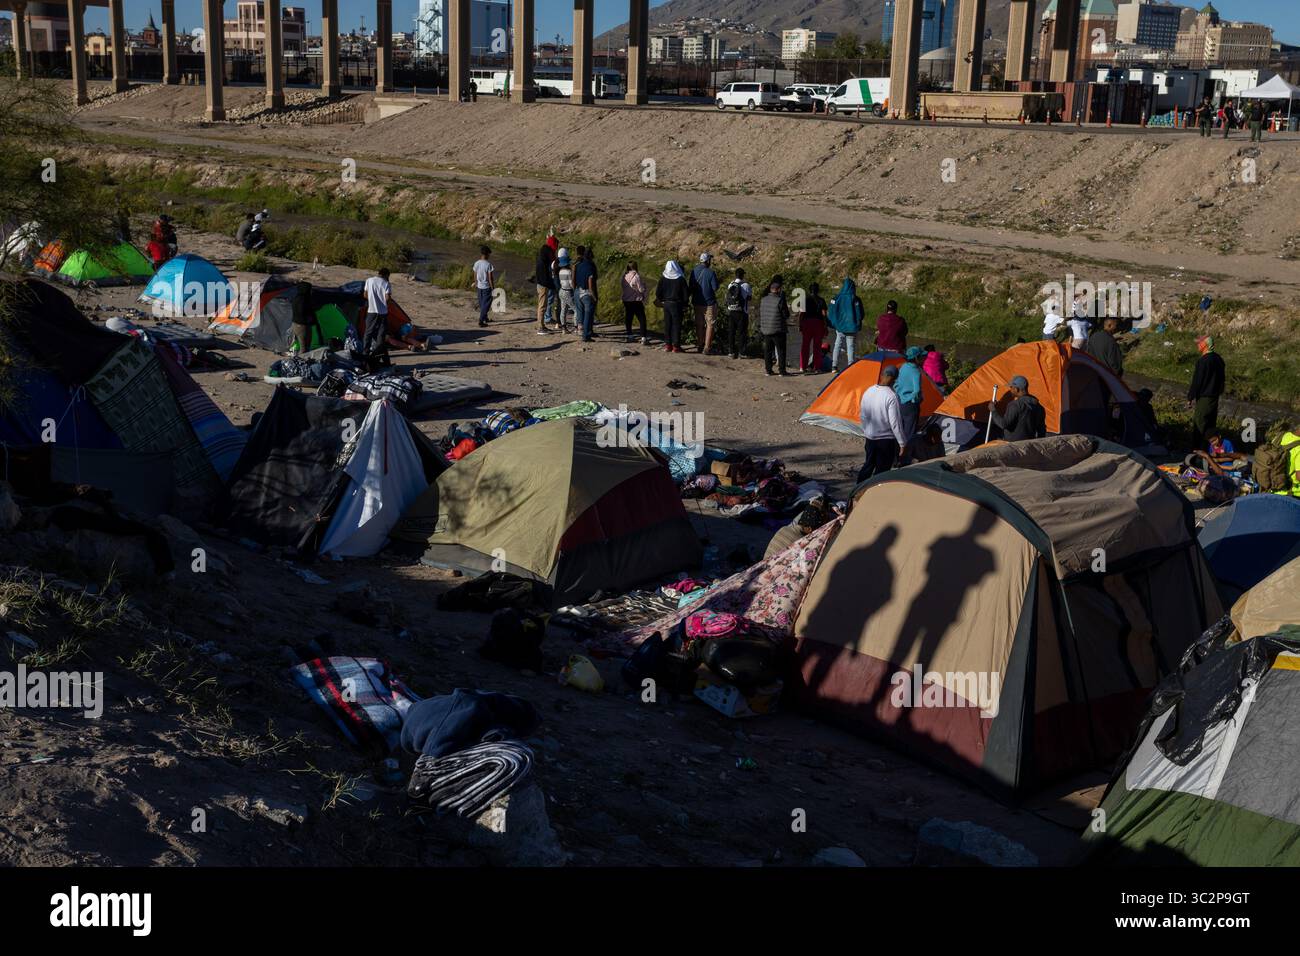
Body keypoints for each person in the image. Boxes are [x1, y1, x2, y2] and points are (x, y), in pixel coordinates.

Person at [857, 365, 907, 483]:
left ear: (881, 375)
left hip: (870, 437)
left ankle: (857, 489)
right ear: (895, 379)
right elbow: (895, 423)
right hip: (885, 440)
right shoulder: (891, 396)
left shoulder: (869, 390)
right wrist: (902, 443)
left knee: (868, 465)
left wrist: (867, 431)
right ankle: (876, 493)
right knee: (882, 470)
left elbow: (863, 414)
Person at [1187, 333, 1225, 441]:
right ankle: (1212, 447)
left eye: (1199, 343)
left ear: (1205, 345)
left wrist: (1190, 397)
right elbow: (1222, 380)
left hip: (1205, 397)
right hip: (1215, 397)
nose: (1197, 344)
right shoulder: (1219, 359)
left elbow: (1197, 381)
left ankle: (1199, 449)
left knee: (1199, 422)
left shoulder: (1203, 361)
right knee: (1211, 423)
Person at [988, 375, 1047, 442]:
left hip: (1013, 447)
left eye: (1011, 387)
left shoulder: (1015, 405)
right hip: (1028, 446)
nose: (1010, 390)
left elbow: (1003, 424)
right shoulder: (1039, 406)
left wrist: (993, 410)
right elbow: (1041, 430)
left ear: (1016, 389)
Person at [827, 277, 864, 372]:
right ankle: (850, 367)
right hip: (852, 327)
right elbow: (860, 313)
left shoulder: (837, 297)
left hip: (840, 327)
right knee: (850, 346)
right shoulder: (855, 298)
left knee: (837, 345)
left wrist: (833, 323)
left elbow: (831, 311)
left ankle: (834, 366)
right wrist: (858, 323)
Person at [758, 275, 790, 377]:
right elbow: (786, 314)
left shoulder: (763, 299)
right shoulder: (779, 300)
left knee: (768, 351)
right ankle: (782, 371)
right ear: (778, 289)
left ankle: (768, 370)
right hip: (778, 330)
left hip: (766, 329)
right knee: (781, 351)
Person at [895, 347, 926, 450]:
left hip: (900, 401)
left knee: (901, 428)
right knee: (910, 431)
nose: (924, 358)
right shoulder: (916, 372)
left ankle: (897, 450)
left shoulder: (904, 366)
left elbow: (897, 383)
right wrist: (918, 399)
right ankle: (906, 455)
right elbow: (917, 390)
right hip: (910, 404)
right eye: (922, 357)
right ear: (916, 358)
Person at [655, 260, 689, 353]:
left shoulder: (663, 278)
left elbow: (658, 293)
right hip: (677, 304)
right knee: (676, 325)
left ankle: (668, 345)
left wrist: (662, 299)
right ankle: (676, 346)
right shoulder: (680, 279)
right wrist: (685, 305)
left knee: (667, 324)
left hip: (666, 304)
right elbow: (686, 294)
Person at [689, 252, 720, 354]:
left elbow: (690, 287)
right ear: (707, 261)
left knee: (699, 324)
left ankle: (699, 345)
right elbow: (715, 288)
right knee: (710, 325)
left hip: (697, 302)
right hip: (709, 303)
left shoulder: (693, 271)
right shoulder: (710, 272)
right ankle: (707, 347)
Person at [797, 282, 828, 374]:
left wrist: (799, 324)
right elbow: (824, 315)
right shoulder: (821, 300)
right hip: (818, 323)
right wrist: (825, 326)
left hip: (807, 323)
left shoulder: (804, 299)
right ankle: (817, 367)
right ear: (818, 290)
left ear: (809, 290)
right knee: (817, 347)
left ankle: (803, 367)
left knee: (805, 345)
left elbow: (801, 314)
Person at [362, 268, 392, 359]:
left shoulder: (369, 280)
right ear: (386, 275)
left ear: (378, 273)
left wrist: (372, 300)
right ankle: (378, 353)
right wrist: (383, 302)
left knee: (368, 332)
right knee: (381, 334)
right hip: (383, 312)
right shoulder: (386, 283)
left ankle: (365, 352)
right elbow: (387, 298)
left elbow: (365, 295)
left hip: (371, 311)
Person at [724, 268, 752, 359]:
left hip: (731, 311)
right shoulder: (746, 285)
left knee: (731, 332)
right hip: (742, 312)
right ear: (743, 275)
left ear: (735, 275)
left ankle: (731, 352)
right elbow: (749, 298)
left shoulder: (730, 284)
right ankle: (742, 353)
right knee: (742, 333)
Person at [574, 245, 599, 342]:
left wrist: (574, 288)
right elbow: (590, 280)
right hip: (587, 293)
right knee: (588, 314)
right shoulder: (590, 266)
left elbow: (574, 278)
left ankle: (587, 332)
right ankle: (586, 335)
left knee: (582, 313)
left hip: (578, 291)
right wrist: (593, 295)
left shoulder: (579, 264)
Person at [534, 238, 557, 334]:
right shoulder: (546, 259)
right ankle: (540, 327)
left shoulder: (541, 257)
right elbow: (547, 277)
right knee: (542, 306)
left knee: (541, 305)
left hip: (540, 284)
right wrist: (552, 285)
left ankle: (541, 325)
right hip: (543, 285)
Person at [621, 261, 648, 344]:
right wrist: (645, 287)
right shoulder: (637, 276)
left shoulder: (624, 276)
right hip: (636, 300)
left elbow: (623, 287)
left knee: (629, 318)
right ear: (636, 266)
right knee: (642, 319)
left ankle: (630, 336)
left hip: (627, 300)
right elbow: (641, 289)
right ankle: (643, 337)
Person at [290, 280, 315, 354]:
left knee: (303, 347)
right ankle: (301, 363)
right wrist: (310, 320)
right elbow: (302, 312)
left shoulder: (296, 298)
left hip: (296, 324)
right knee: (304, 348)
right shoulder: (303, 300)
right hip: (302, 326)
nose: (311, 291)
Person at [473, 246, 494, 329]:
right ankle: (481, 321)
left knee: (482, 303)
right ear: (487, 254)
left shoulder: (476, 263)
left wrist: (476, 283)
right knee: (486, 304)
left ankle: (485, 318)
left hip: (479, 286)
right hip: (486, 287)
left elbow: (475, 274)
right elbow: (490, 278)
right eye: (489, 254)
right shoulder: (488, 265)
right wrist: (493, 288)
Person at [556, 248, 577, 333]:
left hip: (561, 291)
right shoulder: (569, 272)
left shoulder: (560, 271)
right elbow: (571, 284)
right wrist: (575, 289)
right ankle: (576, 327)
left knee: (563, 309)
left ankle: (564, 328)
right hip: (568, 292)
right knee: (576, 310)